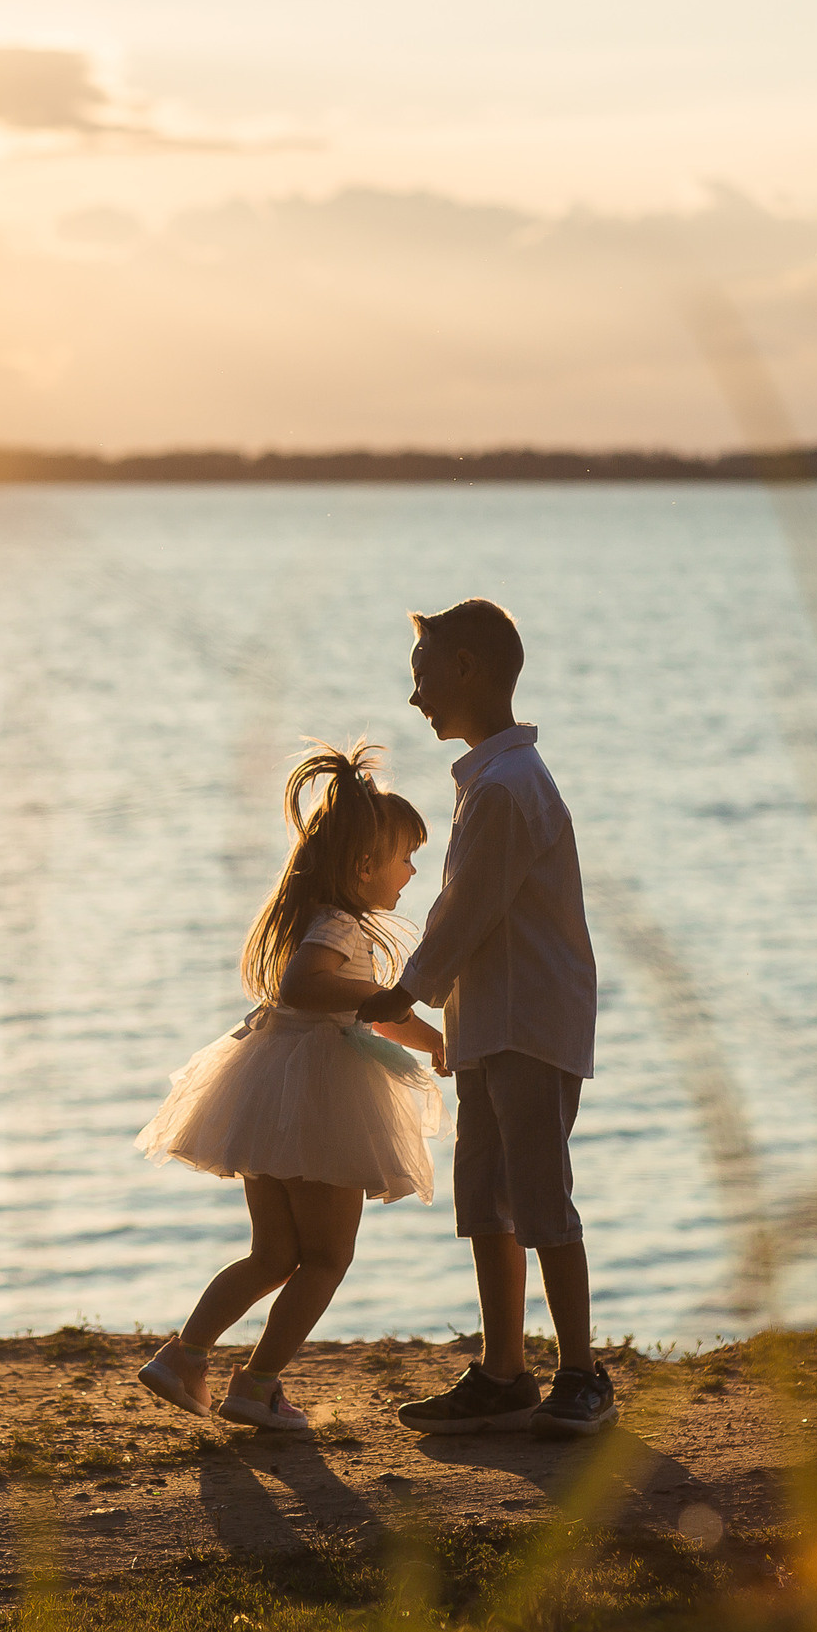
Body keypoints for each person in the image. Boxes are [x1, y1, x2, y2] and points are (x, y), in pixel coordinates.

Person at [133, 741, 451, 1432]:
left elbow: (367, 1009)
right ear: (365, 867)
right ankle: (257, 1384)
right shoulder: (338, 926)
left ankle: (184, 1355)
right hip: (319, 1101)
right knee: (328, 1256)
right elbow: (307, 985)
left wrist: (432, 1039)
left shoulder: (323, 920)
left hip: (271, 1091)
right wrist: (389, 998)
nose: (413, 869)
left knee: (274, 1253)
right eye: (405, 858)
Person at [355, 598, 612, 1440]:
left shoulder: (508, 788)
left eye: (424, 674)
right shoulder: (488, 782)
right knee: (487, 1196)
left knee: (540, 1197)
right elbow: (473, 916)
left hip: (531, 1023)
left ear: (467, 668)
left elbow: (466, 912)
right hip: (491, 1022)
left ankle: (582, 1372)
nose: (416, 696)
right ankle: (506, 1372)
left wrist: (405, 992)